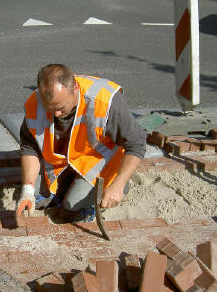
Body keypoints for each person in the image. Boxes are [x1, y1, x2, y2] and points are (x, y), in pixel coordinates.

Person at [16, 64, 146, 221]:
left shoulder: (104, 101)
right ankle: (67, 187)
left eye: (61, 108)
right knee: (36, 195)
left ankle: (120, 186)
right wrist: (27, 190)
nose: (56, 114)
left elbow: (137, 144)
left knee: (71, 209)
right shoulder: (35, 103)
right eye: (49, 108)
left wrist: (117, 185)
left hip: (100, 163)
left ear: (75, 89)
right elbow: (30, 148)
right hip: (65, 161)